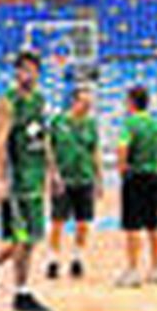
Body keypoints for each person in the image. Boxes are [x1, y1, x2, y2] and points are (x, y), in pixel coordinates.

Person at [0, 50, 55, 311]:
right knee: (23, 237)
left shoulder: (40, 100)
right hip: (17, 182)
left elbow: (43, 137)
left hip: (36, 178)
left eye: (31, 70)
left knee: (29, 239)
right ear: (16, 73)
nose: (26, 74)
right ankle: (22, 293)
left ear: (38, 73)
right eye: (22, 70)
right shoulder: (8, 102)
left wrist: (53, 171)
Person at [117, 85, 157, 287]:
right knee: (153, 223)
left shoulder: (130, 123)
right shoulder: (155, 123)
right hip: (154, 177)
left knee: (132, 226)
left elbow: (122, 146)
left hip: (135, 176)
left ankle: (133, 271)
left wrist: (122, 168)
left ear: (132, 101)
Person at [45, 87, 103, 281]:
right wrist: (53, 174)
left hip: (84, 178)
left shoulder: (91, 125)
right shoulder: (59, 122)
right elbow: (49, 148)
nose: (88, 107)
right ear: (74, 102)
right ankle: (53, 259)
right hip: (63, 180)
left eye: (90, 104)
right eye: (84, 103)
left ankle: (77, 258)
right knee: (57, 221)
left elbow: (95, 151)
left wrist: (99, 179)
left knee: (83, 222)